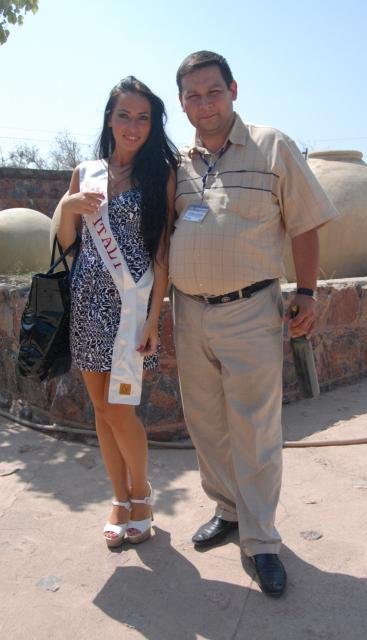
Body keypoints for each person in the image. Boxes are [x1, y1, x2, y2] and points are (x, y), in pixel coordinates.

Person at [169, 51, 338, 597]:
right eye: (192, 95)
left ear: (234, 90)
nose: (204, 104)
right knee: (206, 424)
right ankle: (229, 511)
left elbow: (305, 224)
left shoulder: (272, 146)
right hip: (189, 312)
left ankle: (261, 540)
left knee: (256, 430)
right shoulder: (179, 162)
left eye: (213, 91)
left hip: (250, 311)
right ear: (181, 103)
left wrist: (307, 292)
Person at [57, 76, 178, 548]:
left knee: (120, 409)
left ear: (152, 124)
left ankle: (142, 493)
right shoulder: (85, 172)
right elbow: (68, 243)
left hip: (131, 307)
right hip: (88, 302)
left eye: (143, 117)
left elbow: (162, 252)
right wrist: (68, 204)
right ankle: (119, 498)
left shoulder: (160, 175)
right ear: (109, 119)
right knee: (102, 411)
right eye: (124, 115)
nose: (133, 125)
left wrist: (153, 318)